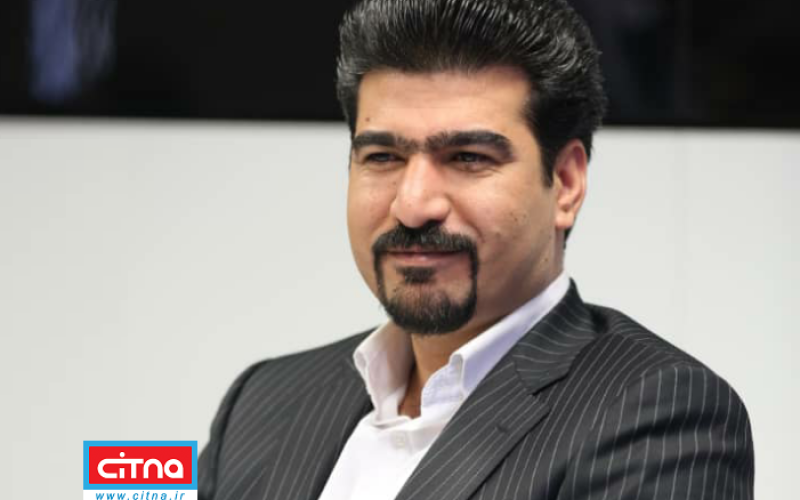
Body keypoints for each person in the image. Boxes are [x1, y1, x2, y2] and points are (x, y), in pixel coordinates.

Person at [197, 0, 754, 499]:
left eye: (467, 158)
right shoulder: (264, 399)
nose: (413, 206)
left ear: (565, 183)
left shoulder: (662, 414)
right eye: (383, 157)